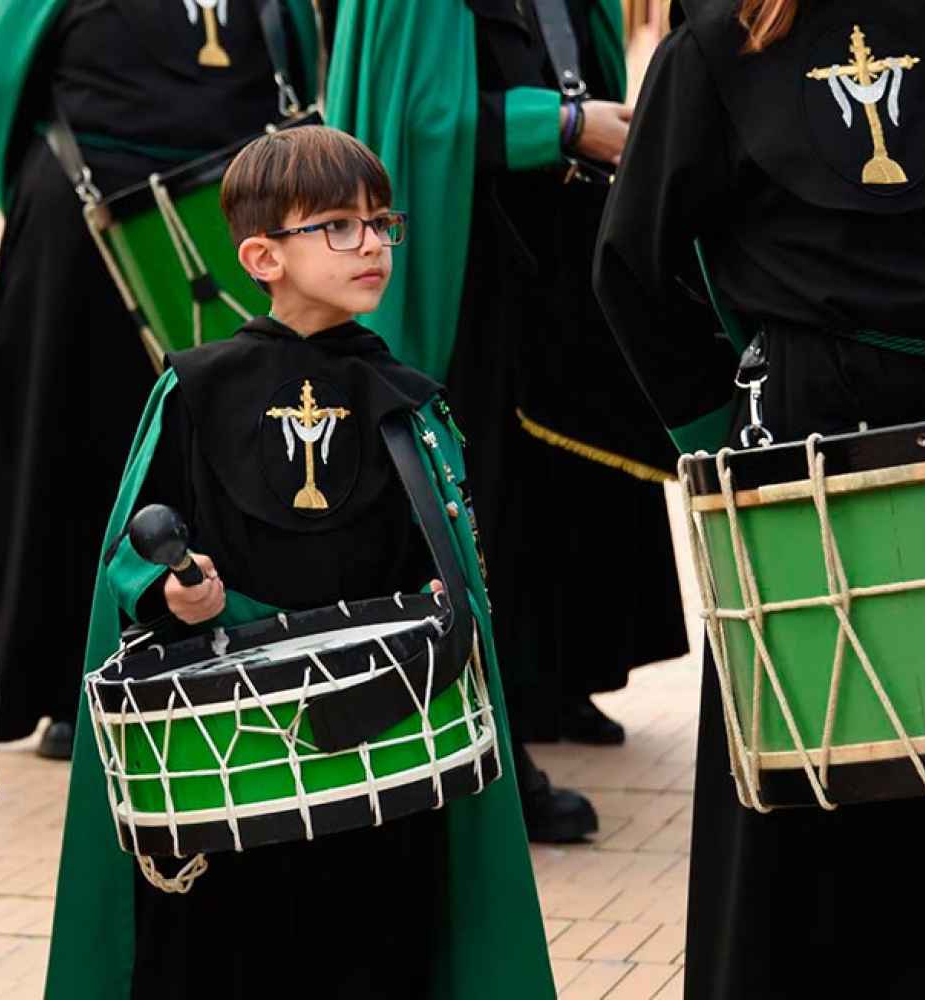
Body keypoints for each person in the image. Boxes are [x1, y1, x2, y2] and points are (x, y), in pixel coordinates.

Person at [594, 0, 925, 995]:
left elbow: (630, 267)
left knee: (839, 784)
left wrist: (720, 434)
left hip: (836, 445)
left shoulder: (720, 45)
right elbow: (631, 266)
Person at [45, 125, 553, 998]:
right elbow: (130, 554)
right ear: (261, 256)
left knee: (379, 955)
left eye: (381, 223)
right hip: (230, 756)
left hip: (383, 753)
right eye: (338, 226)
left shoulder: (409, 402)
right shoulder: (194, 388)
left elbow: (444, 570)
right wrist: (172, 591)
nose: (372, 244)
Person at [325, 0, 686, 842]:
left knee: (567, 472)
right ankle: (490, 737)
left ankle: (552, 679)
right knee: (487, 493)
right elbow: (420, 120)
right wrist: (562, 125)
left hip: (556, 247)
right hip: (468, 259)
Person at [0, 0, 319, 759]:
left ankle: (239, 654)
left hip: (234, 226)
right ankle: (73, 680)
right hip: (82, 230)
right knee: (71, 447)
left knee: (232, 444)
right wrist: (57, 201)